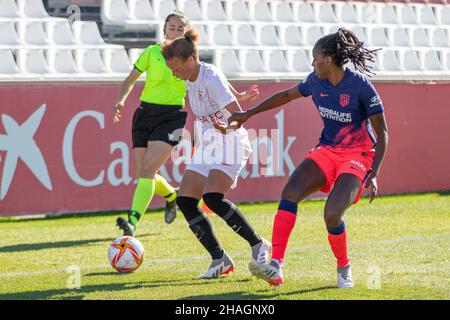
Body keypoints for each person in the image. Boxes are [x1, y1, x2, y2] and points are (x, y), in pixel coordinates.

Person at [229, 28, 389, 288]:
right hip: (327, 150)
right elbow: (287, 95)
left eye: (314, 58)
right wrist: (248, 113)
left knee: (332, 214)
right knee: (290, 192)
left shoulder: (360, 87)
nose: (312, 63)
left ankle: (343, 267)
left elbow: (382, 132)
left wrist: (375, 173)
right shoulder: (315, 81)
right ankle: (276, 265)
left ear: (327, 59)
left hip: (358, 156)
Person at [113, 11, 258, 236]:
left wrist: (238, 97)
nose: (175, 31)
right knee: (143, 173)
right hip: (145, 114)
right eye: (172, 27)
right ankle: (171, 195)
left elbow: (214, 81)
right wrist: (121, 101)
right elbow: (130, 79)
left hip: (171, 117)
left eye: (180, 28)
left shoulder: (190, 64)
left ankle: (132, 222)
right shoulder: (152, 53)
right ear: (164, 30)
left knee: (149, 171)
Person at [161, 34, 271, 279]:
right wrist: (238, 96)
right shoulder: (192, 76)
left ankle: (258, 244)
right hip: (209, 143)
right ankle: (219, 259)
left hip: (231, 140)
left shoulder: (210, 77)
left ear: (190, 58)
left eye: (175, 68)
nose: (174, 73)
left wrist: (230, 124)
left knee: (212, 198)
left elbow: (239, 117)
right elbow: (220, 89)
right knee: (185, 200)